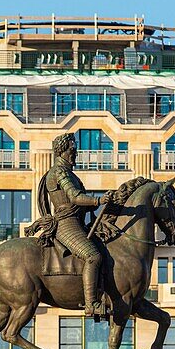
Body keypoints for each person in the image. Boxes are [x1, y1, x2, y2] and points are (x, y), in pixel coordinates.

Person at [27, 133, 112, 317]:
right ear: (62, 151)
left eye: (75, 150)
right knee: (93, 257)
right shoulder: (59, 172)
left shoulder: (69, 173)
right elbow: (75, 197)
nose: (75, 154)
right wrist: (98, 200)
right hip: (67, 226)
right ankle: (91, 304)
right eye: (72, 150)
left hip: (78, 223)